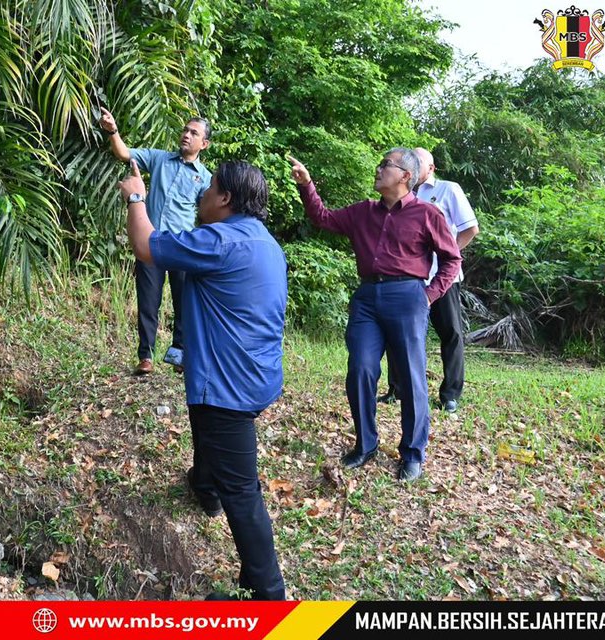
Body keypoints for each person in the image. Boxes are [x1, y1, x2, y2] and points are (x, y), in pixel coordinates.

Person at [118, 159, 286, 600]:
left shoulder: (219, 240)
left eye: (210, 188)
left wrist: (137, 195)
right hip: (257, 377)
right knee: (212, 439)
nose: (201, 196)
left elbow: (146, 246)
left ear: (226, 198)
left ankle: (269, 596)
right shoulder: (265, 242)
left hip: (228, 387)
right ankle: (204, 487)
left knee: (243, 491)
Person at [288, 149, 461, 481]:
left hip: (408, 297)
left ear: (405, 176)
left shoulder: (428, 214)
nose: (379, 169)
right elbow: (322, 218)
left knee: (411, 377)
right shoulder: (362, 212)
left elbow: (452, 259)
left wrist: (429, 295)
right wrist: (307, 186)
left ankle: (412, 453)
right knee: (361, 370)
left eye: (386, 165)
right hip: (367, 298)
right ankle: (365, 444)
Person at [99, 107, 212, 375]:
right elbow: (125, 153)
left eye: (193, 133)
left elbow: (208, 213)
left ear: (203, 144)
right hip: (152, 242)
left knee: (184, 303)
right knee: (148, 301)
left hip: (183, 245)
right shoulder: (160, 159)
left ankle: (179, 355)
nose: (186, 135)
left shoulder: (206, 178)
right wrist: (113, 130)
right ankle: (145, 357)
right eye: (185, 130)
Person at [379, 147, 479, 413]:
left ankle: (450, 394)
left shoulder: (448, 190)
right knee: (400, 333)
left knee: (451, 333)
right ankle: (397, 389)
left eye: (418, 161)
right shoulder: (403, 194)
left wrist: (449, 254)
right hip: (410, 277)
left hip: (443, 277)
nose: (411, 163)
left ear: (431, 168)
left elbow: (471, 227)